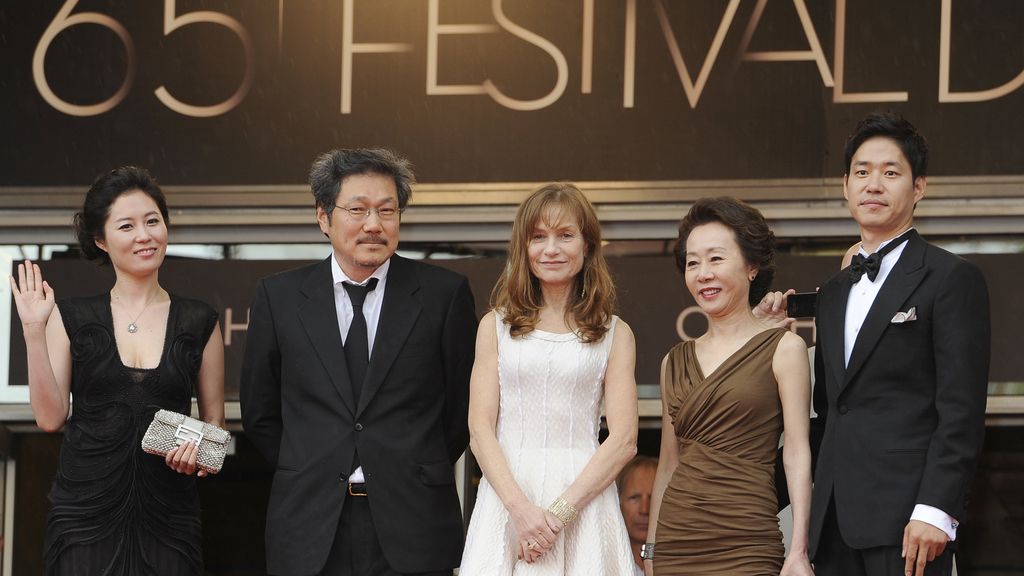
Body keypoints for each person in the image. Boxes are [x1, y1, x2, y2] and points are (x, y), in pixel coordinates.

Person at [240, 148, 477, 576]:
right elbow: (261, 412)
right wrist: (316, 462)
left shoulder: (444, 295)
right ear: (323, 218)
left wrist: (406, 465)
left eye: (387, 210)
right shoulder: (279, 298)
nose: (374, 225)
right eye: (358, 209)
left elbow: (461, 412)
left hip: (413, 523)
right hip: (309, 523)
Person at [800, 113, 990, 576]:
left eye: (891, 172)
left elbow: (961, 409)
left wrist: (936, 509)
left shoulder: (951, 278)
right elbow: (828, 412)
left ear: (918, 187)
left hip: (910, 521)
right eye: (862, 172)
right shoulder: (834, 293)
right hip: (833, 524)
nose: (873, 185)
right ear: (845, 186)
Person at [9, 166, 225, 575]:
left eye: (152, 221)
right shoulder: (71, 316)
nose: (144, 235)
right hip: (83, 517)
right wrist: (34, 330)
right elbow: (50, 417)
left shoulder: (200, 320)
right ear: (100, 240)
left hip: (169, 519)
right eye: (126, 226)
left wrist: (198, 453)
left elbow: (215, 428)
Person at [459, 182, 638, 575]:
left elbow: (624, 441)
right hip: (507, 500)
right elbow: (479, 429)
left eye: (565, 235)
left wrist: (556, 517)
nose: (551, 249)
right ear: (523, 247)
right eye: (538, 237)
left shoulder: (615, 333)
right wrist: (521, 511)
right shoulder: (495, 327)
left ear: (588, 245)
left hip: (584, 501)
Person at [646, 197, 814, 575]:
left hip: (747, 543)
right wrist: (652, 550)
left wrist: (799, 550)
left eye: (716, 259)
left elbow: (797, 454)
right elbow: (668, 465)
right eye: (692, 262)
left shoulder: (785, 349)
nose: (703, 273)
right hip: (676, 542)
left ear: (752, 266)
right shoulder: (673, 361)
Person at [617, 455, 657, 576]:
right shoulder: (605, 561)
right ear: (618, 502)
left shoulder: (682, 562)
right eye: (634, 498)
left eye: (654, 498)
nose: (644, 510)